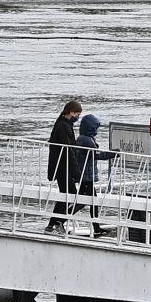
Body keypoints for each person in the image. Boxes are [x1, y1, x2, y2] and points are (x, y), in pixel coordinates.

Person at [44, 98, 84, 232]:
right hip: (63, 167)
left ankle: (53, 224)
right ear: (71, 112)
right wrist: (77, 173)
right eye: (77, 114)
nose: (77, 117)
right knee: (71, 195)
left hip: (60, 166)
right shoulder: (64, 126)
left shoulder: (61, 124)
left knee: (65, 195)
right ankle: (57, 222)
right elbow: (68, 150)